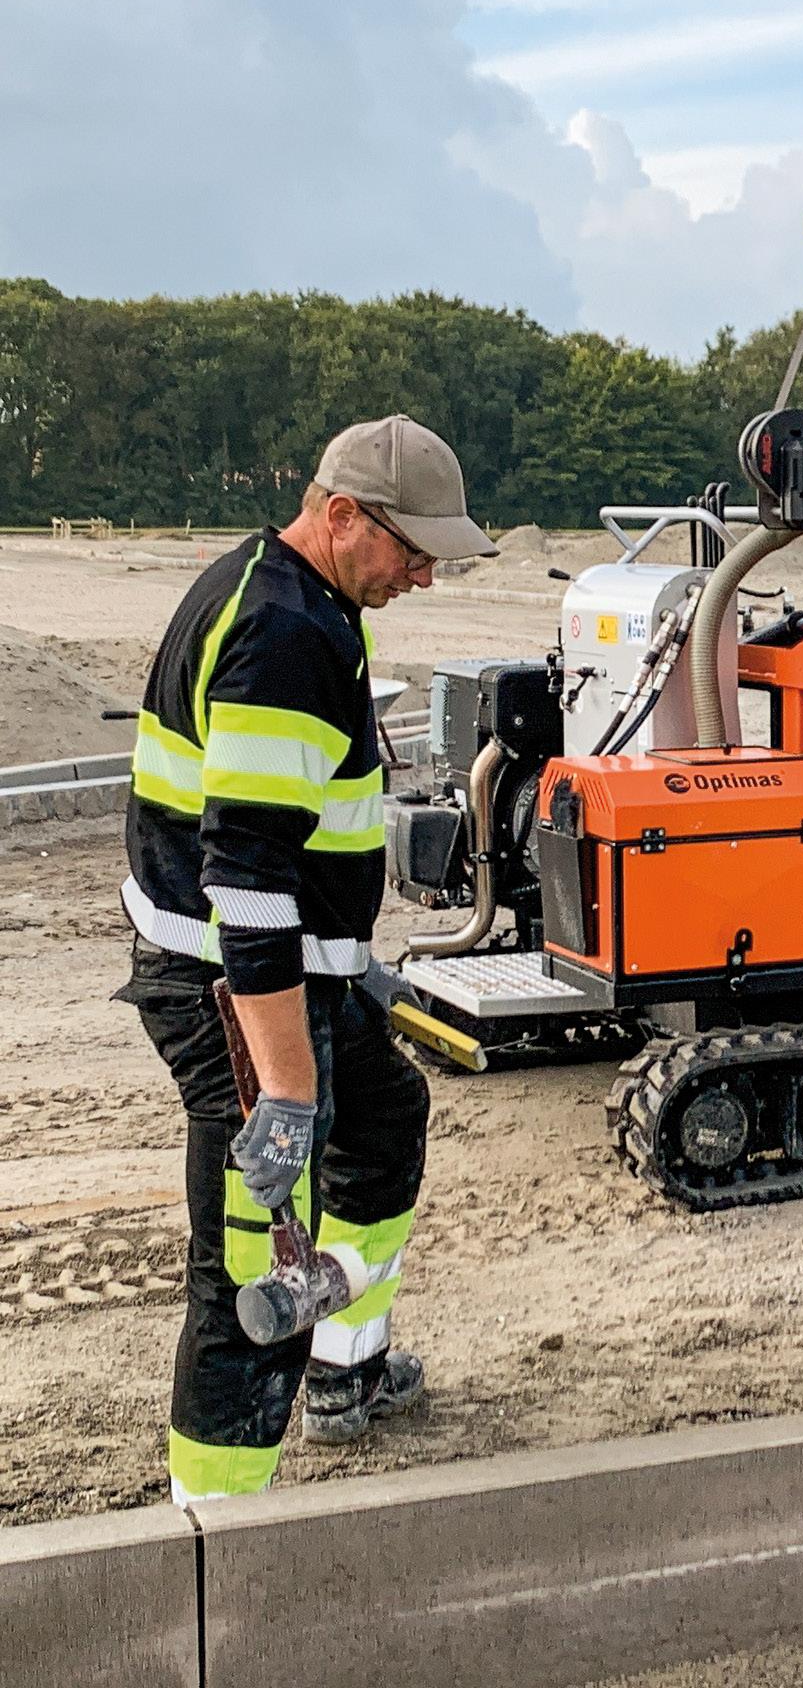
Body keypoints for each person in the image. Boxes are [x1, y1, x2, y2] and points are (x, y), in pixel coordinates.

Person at [117, 414, 498, 1505]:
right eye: (412, 551)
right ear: (339, 515)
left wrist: (347, 959)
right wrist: (285, 1088)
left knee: (382, 1125)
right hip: (234, 984)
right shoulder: (284, 635)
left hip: (289, 966)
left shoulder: (303, 596)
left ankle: (346, 1368)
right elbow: (245, 881)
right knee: (249, 1273)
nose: (424, 576)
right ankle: (213, 1530)